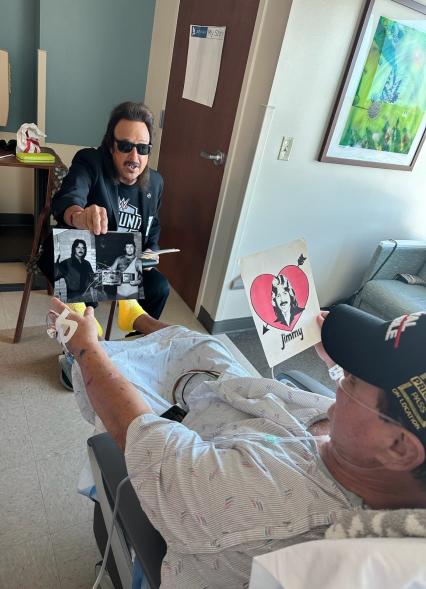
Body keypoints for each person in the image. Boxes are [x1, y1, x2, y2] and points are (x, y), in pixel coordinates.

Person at [49, 298, 426, 589]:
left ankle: (101, 334)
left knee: (122, 369)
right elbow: (367, 417)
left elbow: (145, 439)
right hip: (251, 407)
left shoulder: (270, 507)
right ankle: (140, 321)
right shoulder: (378, 452)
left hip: (192, 439)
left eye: (353, 381)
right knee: (209, 348)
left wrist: (85, 348)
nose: (341, 381)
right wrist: (340, 361)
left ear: (400, 449)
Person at [51, 100, 169, 330]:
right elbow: (69, 197)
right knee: (80, 278)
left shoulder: (155, 182)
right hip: (89, 257)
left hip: (128, 264)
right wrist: (79, 215)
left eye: (142, 148)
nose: (135, 157)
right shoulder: (90, 161)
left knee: (159, 287)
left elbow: (152, 228)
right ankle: (84, 346)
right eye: (125, 146)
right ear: (111, 146)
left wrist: (150, 253)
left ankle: (135, 341)